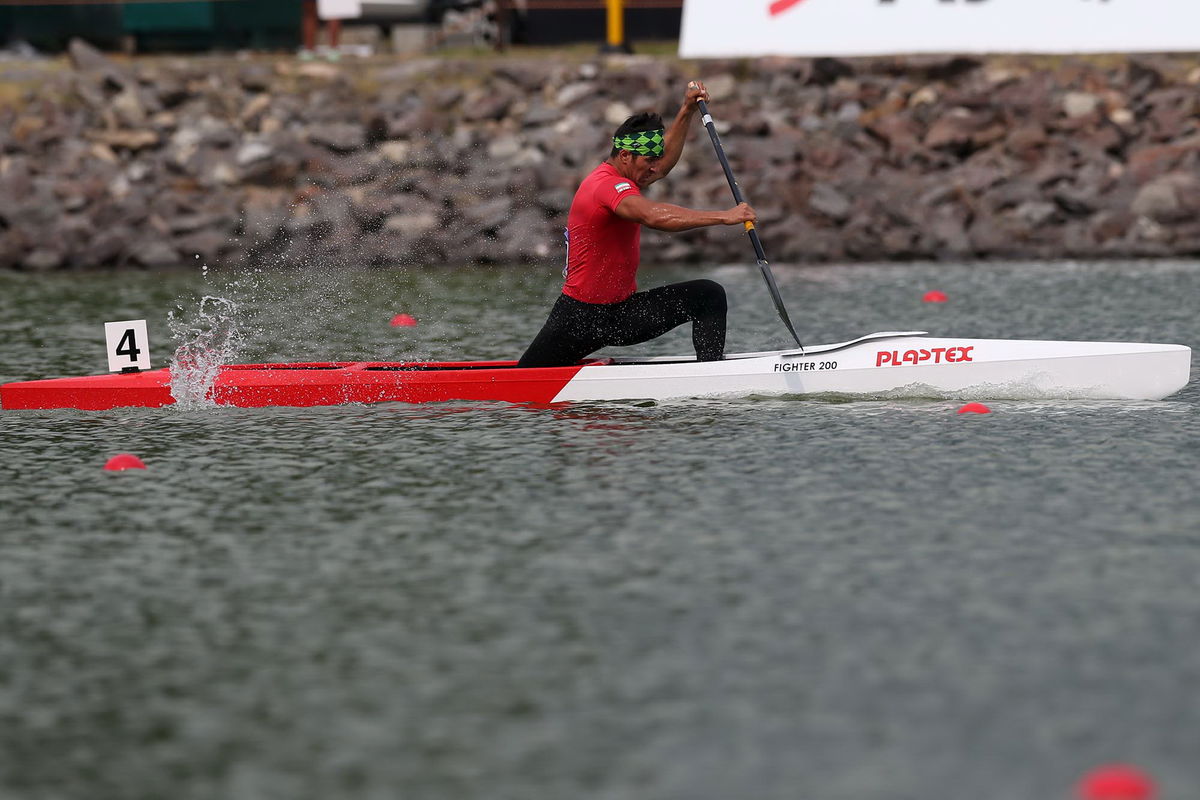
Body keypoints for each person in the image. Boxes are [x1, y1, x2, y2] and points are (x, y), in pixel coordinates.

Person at [517, 80, 756, 368]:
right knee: (526, 378)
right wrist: (723, 216)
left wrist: (686, 110)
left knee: (708, 295)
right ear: (626, 156)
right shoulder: (604, 186)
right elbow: (653, 216)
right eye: (649, 161)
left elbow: (664, 162)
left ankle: (711, 374)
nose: (656, 169)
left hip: (621, 314)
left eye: (655, 160)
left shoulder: (631, 173)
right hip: (581, 317)